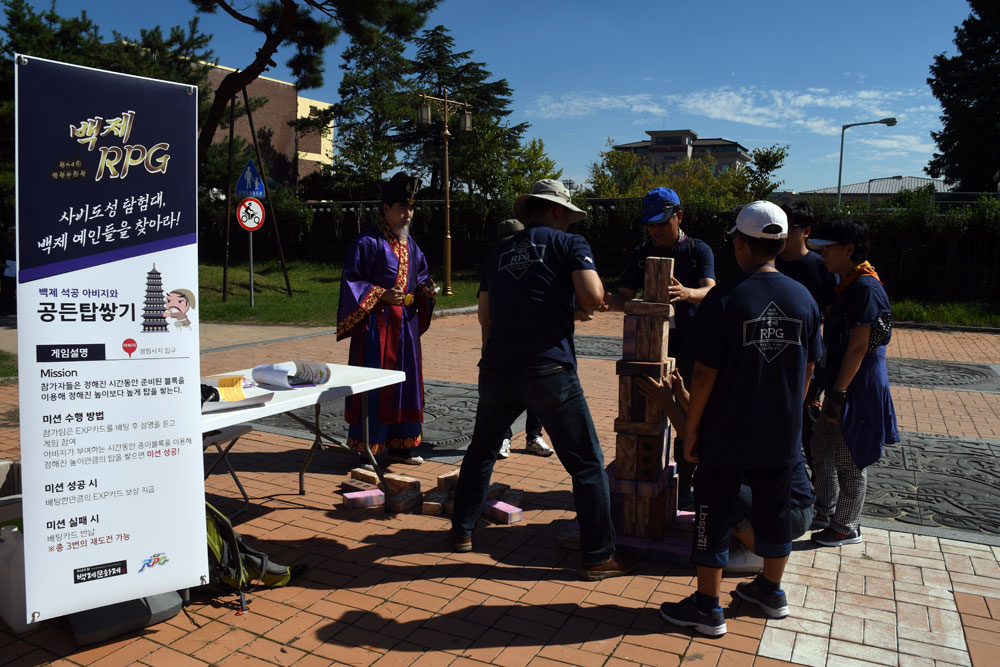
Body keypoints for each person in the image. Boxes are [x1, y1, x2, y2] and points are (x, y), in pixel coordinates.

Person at [451, 179, 633, 581]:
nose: (569, 222)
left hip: (497, 366)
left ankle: (462, 532)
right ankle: (599, 556)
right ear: (554, 210)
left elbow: (486, 315)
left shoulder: (498, 252)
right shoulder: (571, 245)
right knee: (587, 464)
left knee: (481, 452)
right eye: (567, 215)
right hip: (548, 368)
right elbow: (591, 296)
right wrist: (583, 302)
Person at [657, 201, 822, 636]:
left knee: (713, 511)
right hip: (782, 432)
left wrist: (692, 428)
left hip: (728, 432)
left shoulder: (725, 298)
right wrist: (790, 412)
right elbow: (808, 369)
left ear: (739, 244)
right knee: (774, 512)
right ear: (782, 243)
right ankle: (770, 591)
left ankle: (707, 607)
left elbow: (706, 374)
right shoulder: (804, 298)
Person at [604, 187, 716, 510]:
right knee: (648, 411)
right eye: (650, 225)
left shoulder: (698, 251)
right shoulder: (641, 253)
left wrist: (686, 293)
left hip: (693, 346)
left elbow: (710, 291)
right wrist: (634, 306)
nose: (655, 231)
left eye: (662, 224)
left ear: (679, 217)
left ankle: (688, 479)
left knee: (689, 411)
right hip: (652, 348)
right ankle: (651, 476)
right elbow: (622, 296)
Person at [638, 371, 815, 574]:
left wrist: (668, 403)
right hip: (792, 509)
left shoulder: (751, 422)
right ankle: (761, 541)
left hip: (791, 515)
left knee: (712, 484)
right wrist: (680, 395)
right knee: (719, 483)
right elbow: (710, 423)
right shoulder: (761, 408)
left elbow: (696, 448)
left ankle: (761, 552)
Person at [807, 218, 899, 547]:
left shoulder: (865, 287)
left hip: (856, 386)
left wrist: (838, 393)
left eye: (827, 249)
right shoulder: (847, 281)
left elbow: (859, 346)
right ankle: (826, 509)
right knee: (821, 449)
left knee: (849, 457)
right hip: (839, 381)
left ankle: (847, 525)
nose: (821, 255)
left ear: (849, 249)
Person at [337, 172, 436, 465]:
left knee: (406, 382)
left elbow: (420, 276)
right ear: (385, 209)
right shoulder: (367, 242)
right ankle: (370, 445)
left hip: (404, 326)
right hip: (376, 328)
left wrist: (426, 291)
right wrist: (380, 294)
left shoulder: (411, 245)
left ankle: (403, 444)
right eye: (401, 209)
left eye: (410, 209)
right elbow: (351, 280)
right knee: (375, 384)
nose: (408, 215)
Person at [483, 219, 555, 460]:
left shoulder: (535, 263)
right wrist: (487, 349)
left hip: (533, 341)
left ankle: (534, 436)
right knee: (506, 395)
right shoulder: (494, 266)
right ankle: (505, 437)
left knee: (533, 390)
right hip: (504, 342)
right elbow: (486, 315)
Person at [776, 201, 837, 475]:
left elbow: (831, 316)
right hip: (770, 356)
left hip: (806, 361)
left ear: (806, 232)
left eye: (791, 227)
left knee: (807, 424)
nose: (784, 231)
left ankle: (818, 490)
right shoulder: (769, 261)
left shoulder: (820, 266)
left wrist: (824, 360)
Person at [0, 227, 15, 316]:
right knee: (5, 290)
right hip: (4, 269)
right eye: (12, 234)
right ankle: (3, 309)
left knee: (12, 289)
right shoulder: (2, 244)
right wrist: (1, 265)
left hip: (13, 268)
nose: (13, 236)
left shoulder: (14, 244)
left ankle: (10, 308)